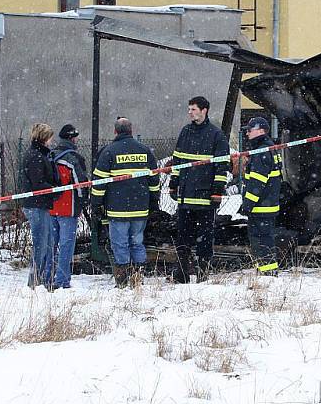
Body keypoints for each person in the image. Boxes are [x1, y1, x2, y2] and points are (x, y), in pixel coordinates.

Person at [90, 117, 159, 287]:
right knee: (137, 242)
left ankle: (122, 280)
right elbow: (154, 180)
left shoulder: (109, 152)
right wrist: (153, 202)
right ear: (131, 130)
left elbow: (99, 182)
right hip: (140, 208)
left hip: (117, 209)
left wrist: (96, 204)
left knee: (119, 244)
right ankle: (138, 278)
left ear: (115, 131)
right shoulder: (145, 151)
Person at [169, 96, 229, 283]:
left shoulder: (216, 135)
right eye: (189, 109)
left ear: (204, 111)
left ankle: (203, 273)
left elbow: (222, 166)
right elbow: (177, 160)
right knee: (182, 238)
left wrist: (217, 191)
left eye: (193, 109)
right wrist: (173, 183)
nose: (190, 113)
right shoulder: (185, 132)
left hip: (205, 198)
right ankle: (182, 274)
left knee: (204, 239)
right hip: (186, 197)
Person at [49, 124, 89, 289]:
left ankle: (47, 277)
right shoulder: (73, 158)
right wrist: (84, 203)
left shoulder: (50, 155)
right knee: (66, 245)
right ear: (72, 138)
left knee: (50, 244)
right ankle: (62, 280)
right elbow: (81, 184)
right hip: (68, 207)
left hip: (50, 207)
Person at [241, 117, 282, 275]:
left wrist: (248, 204)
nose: (247, 133)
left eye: (250, 130)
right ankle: (268, 272)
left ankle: (268, 274)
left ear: (260, 131)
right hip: (267, 204)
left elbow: (257, 182)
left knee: (261, 241)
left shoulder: (261, 151)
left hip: (260, 207)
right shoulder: (269, 148)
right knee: (266, 239)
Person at [20, 123, 59, 289]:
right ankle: (35, 282)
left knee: (48, 243)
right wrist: (55, 189)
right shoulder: (35, 156)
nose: (52, 140)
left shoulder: (40, 154)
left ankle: (44, 280)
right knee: (41, 245)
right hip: (36, 205)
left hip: (41, 204)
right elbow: (38, 183)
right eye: (50, 137)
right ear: (45, 138)